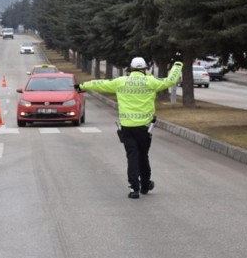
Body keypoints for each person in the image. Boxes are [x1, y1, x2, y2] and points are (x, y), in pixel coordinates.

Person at [76, 57, 183, 199]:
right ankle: (145, 185)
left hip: (127, 127)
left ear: (131, 68)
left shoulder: (121, 82)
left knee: (132, 156)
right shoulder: (150, 82)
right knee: (143, 156)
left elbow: (100, 83)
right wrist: (177, 64)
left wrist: (82, 86)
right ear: (145, 69)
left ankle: (134, 188)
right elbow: (170, 81)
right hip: (144, 127)